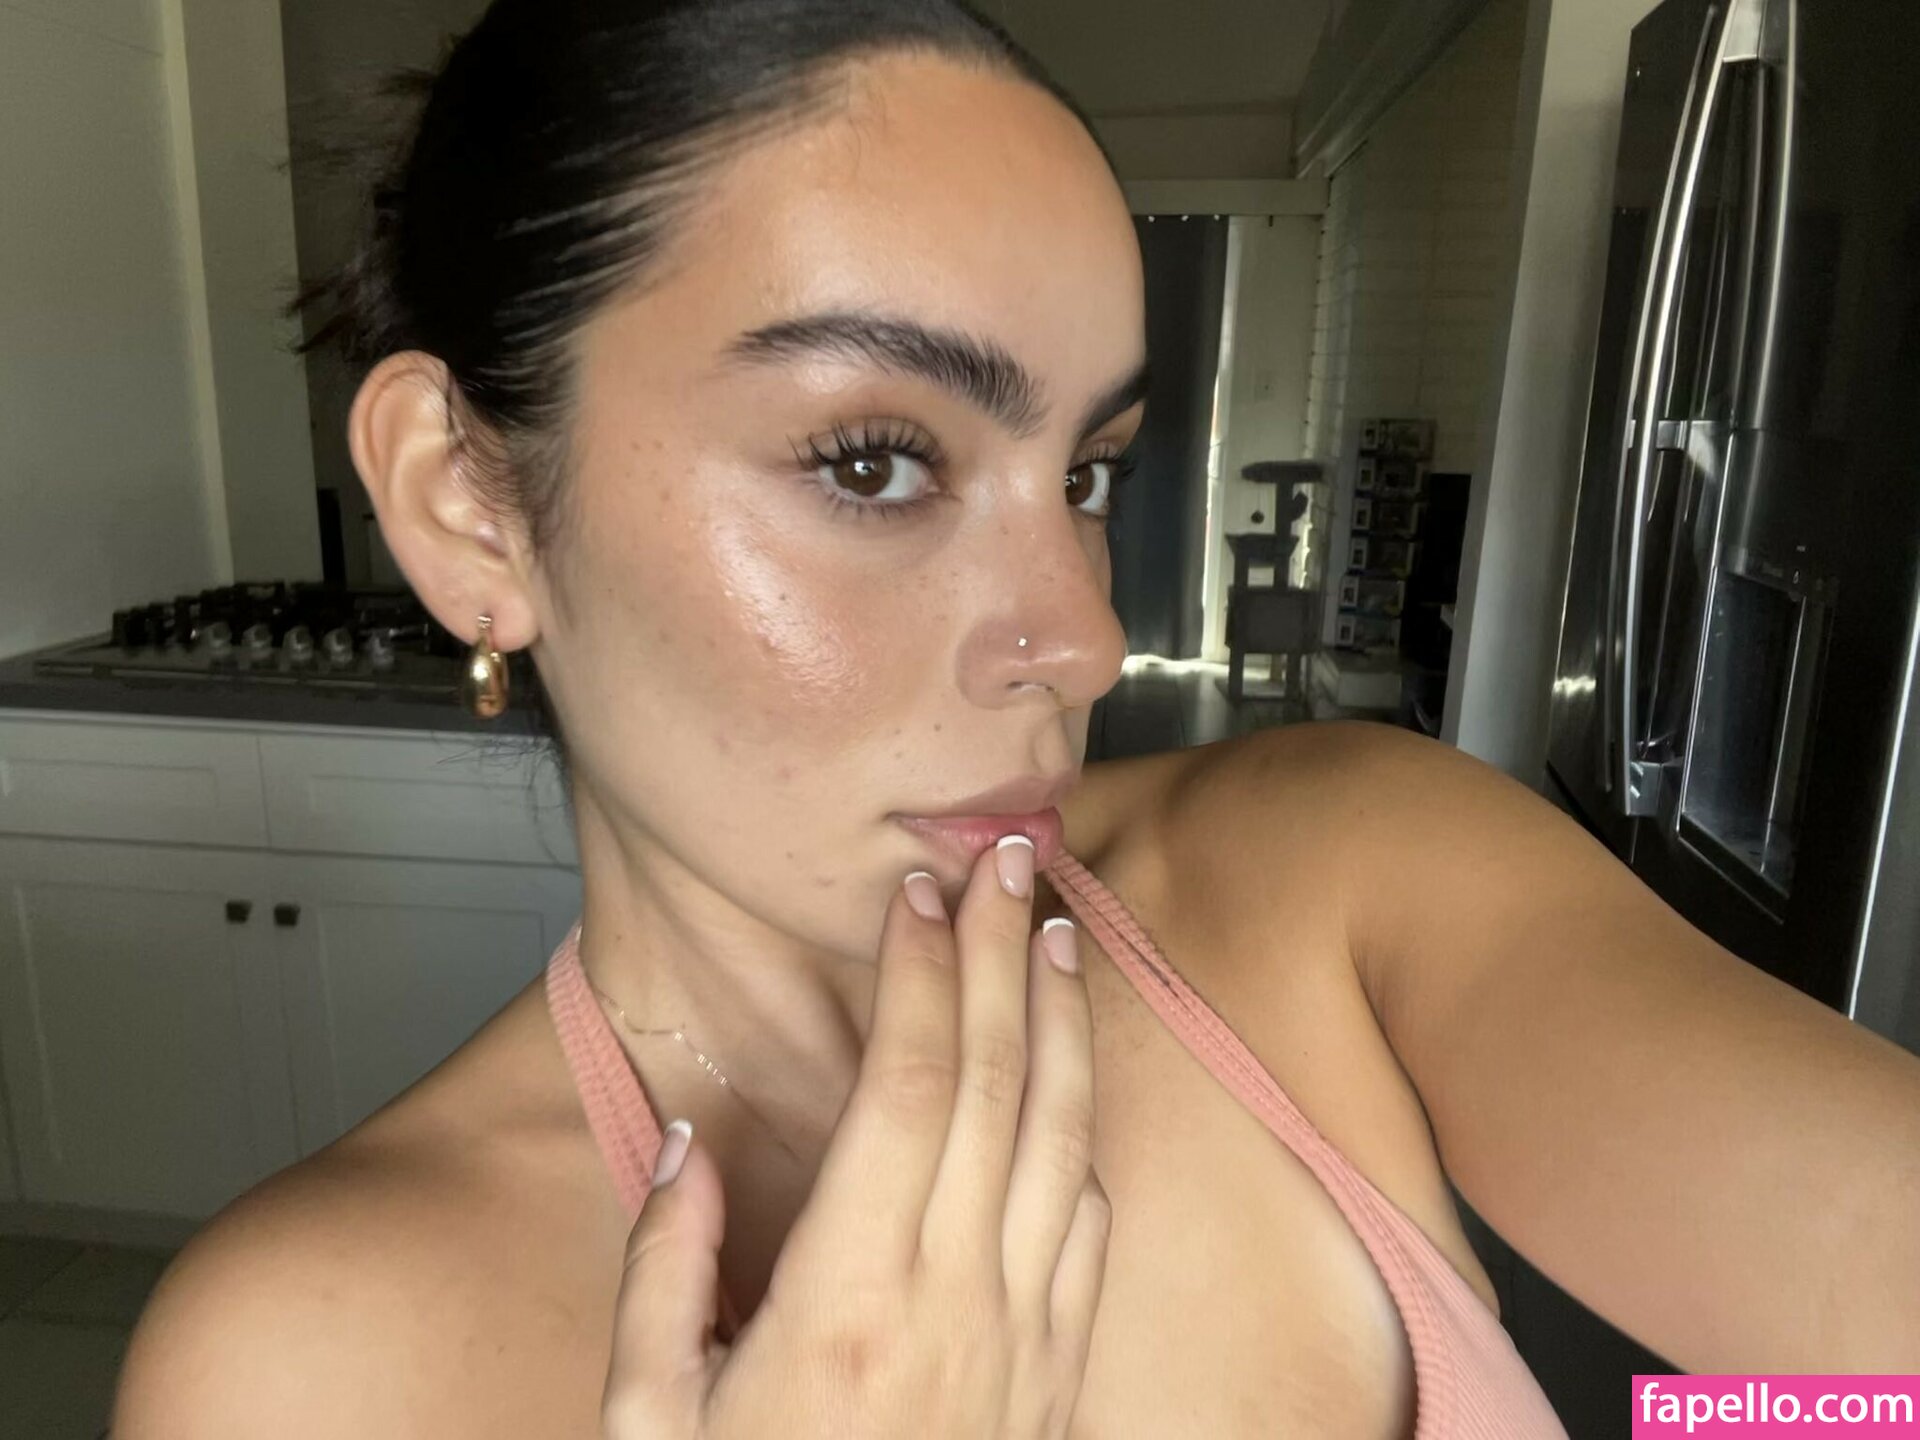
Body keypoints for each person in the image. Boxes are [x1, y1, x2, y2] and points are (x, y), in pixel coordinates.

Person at [112, 1, 1920, 1436]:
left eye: (1087, 470)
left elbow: (1867, 1388)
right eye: (874, 461)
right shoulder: (309, 1363)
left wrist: (1721, 1422)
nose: (1086, 640)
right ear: (465, 507)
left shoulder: (1345, 883)